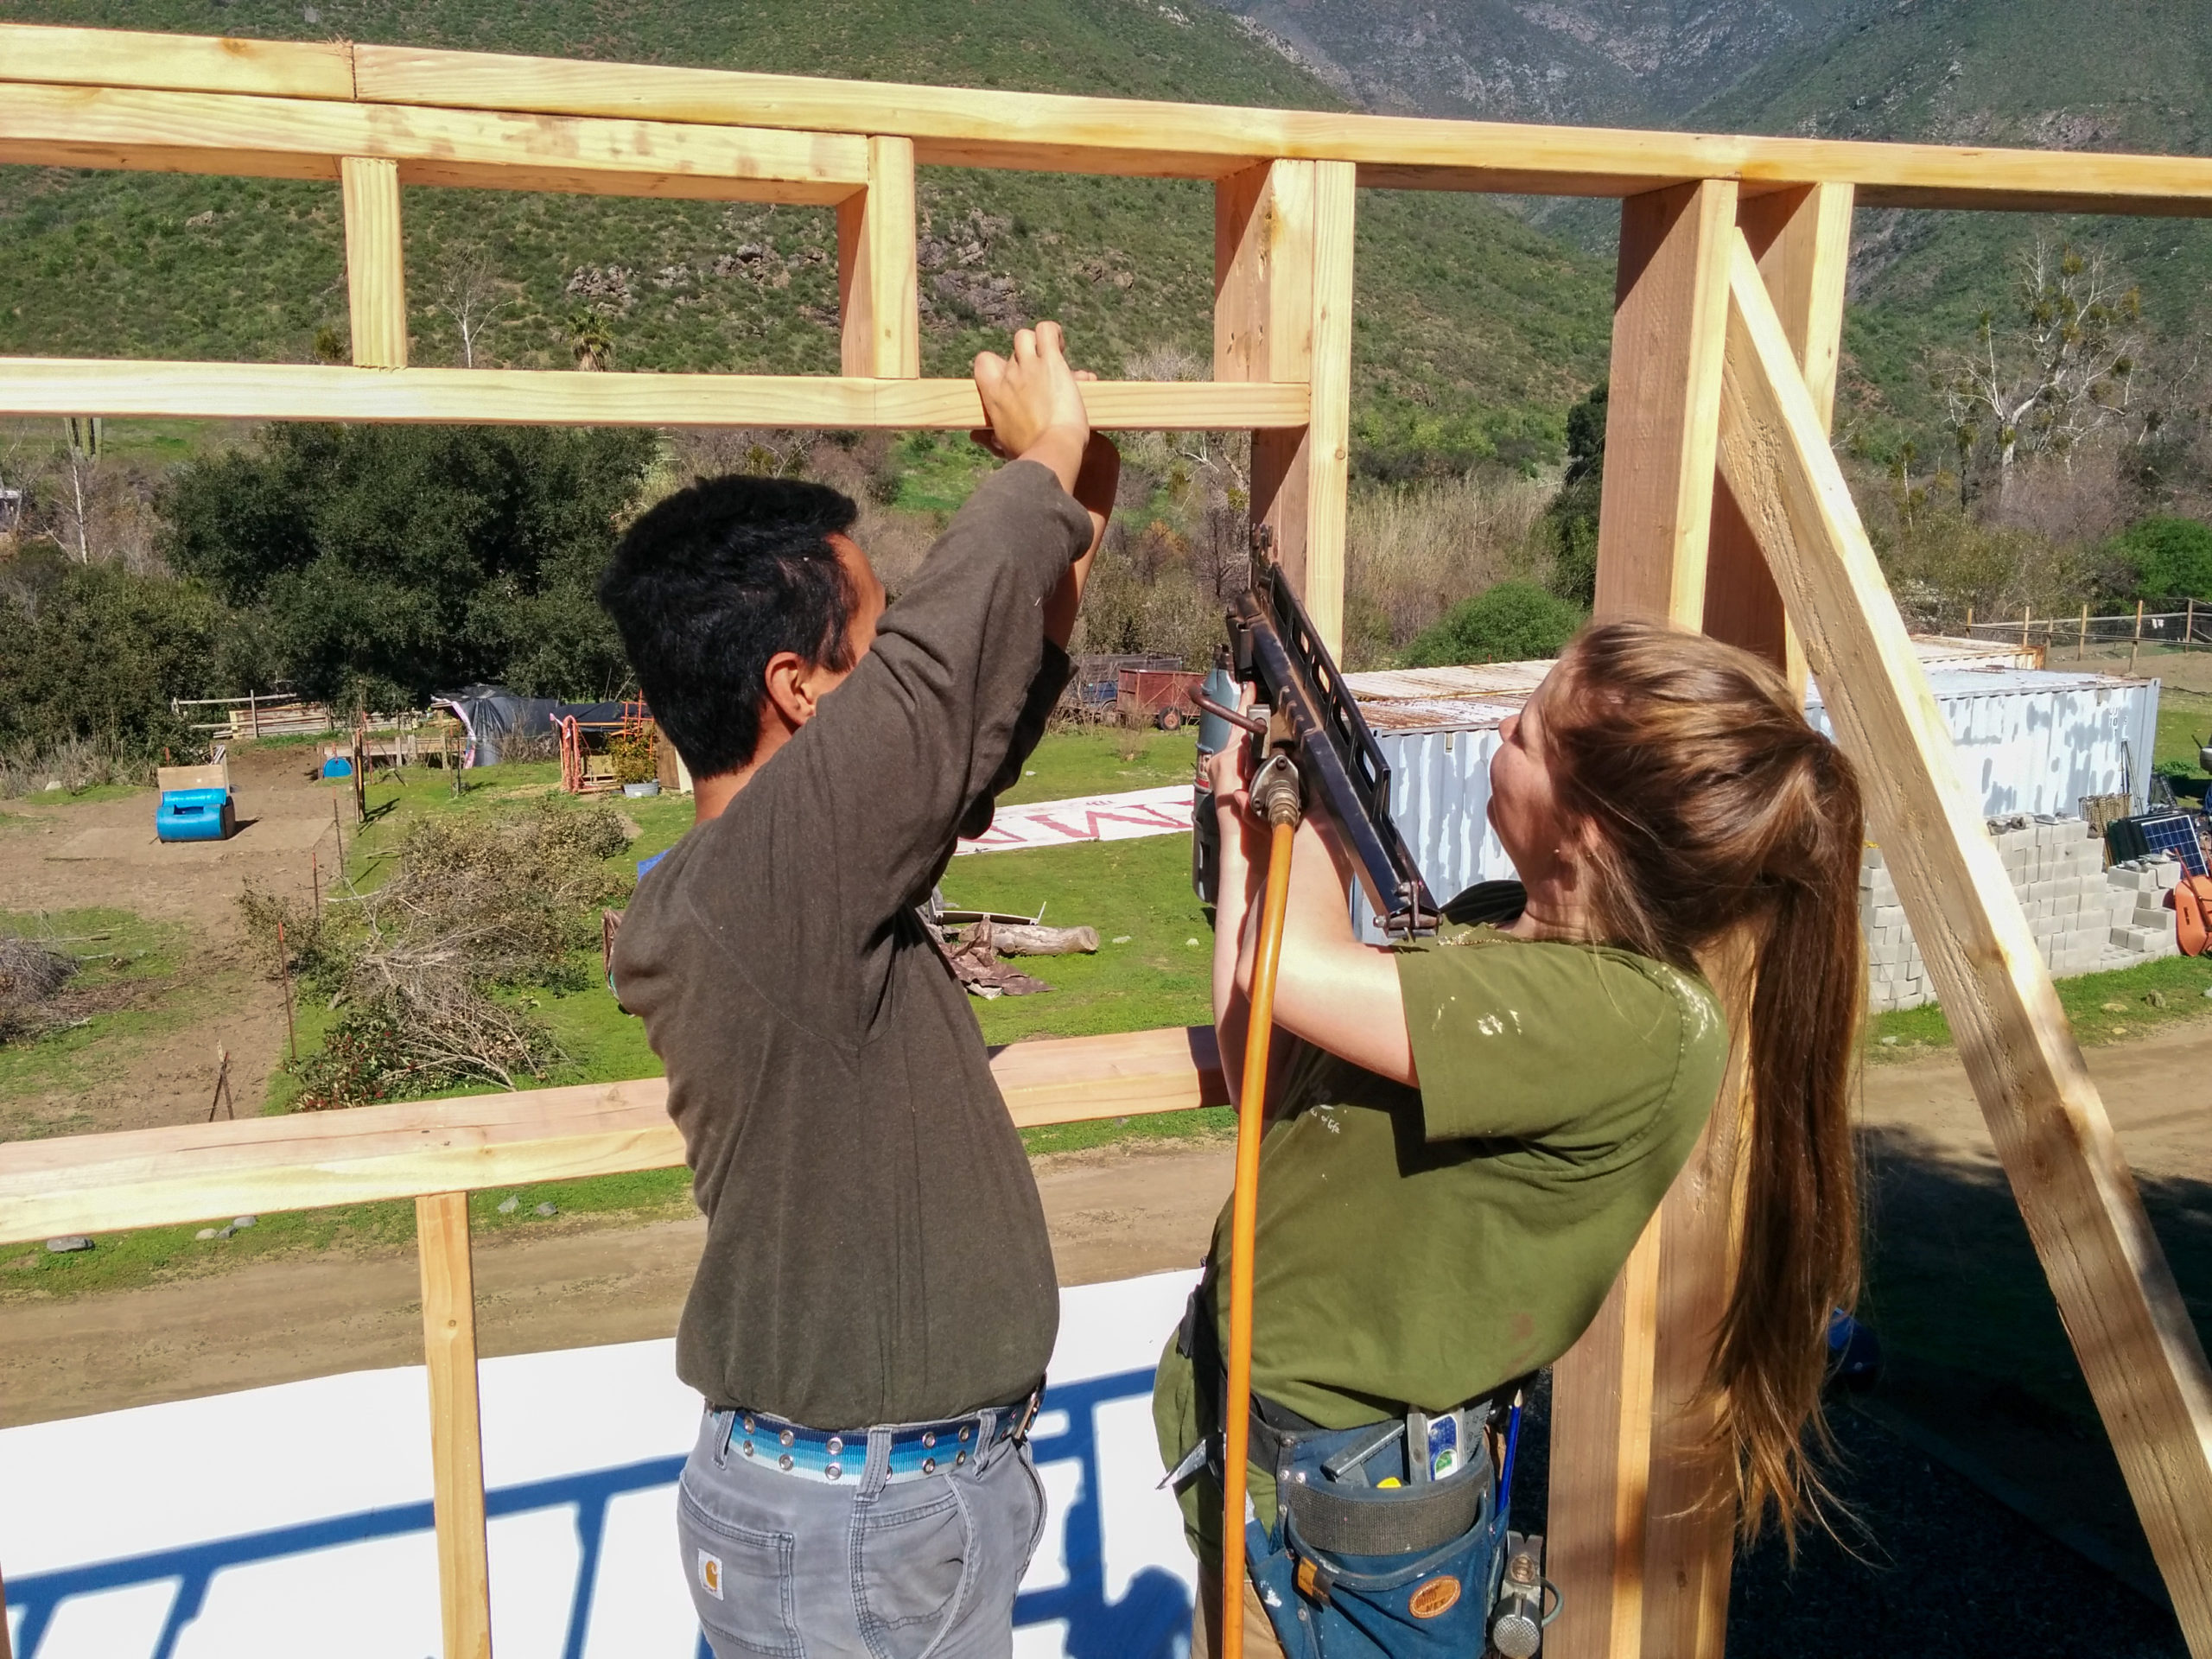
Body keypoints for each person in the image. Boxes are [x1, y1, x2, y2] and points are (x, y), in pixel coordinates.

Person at [1155, 621, 1866, 1658]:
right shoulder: (1497, 928)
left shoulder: (1631, 1019)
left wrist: (1300, 783)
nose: (1499, 727)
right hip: (1269, 1473)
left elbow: (1291, 975)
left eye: (1525, 735)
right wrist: (1247, 824)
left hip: (1339, 1516)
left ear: (1583, 831)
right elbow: (1261, 1038)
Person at [601, 321, 1120, 1659]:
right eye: (870, 654)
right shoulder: (762, 889)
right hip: (860, 1538)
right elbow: (941, 696)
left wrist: (1064, 532)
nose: (897, 672)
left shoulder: (788, 881)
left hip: (874, 1521)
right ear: (796, 690)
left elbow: (963, 739)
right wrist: (1036, 464)